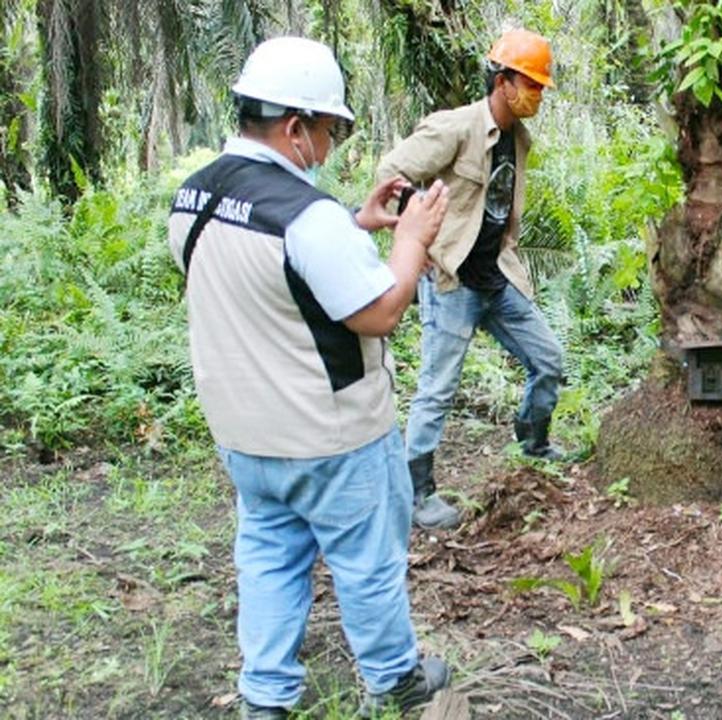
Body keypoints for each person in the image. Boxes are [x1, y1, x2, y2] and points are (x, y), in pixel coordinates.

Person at [168, 37, 452, 718]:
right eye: (330, 131)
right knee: (367, 563)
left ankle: (265, 696)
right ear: (296, 128)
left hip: (246, 435)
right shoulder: (308, 218)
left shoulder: (195, 196)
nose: (329, 147)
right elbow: (379, 311)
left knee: (267, 557)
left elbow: (266, 275)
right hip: (331, 437)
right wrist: (409, 239)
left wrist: (355, 225)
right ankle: (395, 681)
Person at [376, 28, 565, 532]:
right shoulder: (457, 127)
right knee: (437, 389)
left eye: (541, 87)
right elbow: (392, 171)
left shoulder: (518, 139)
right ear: (503, 82)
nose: (537, 95)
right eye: (531, 85)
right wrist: (413, 242)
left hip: (496, 277)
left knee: (548, 360)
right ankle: (418, 493)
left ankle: (534, 443)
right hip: (452, 280)